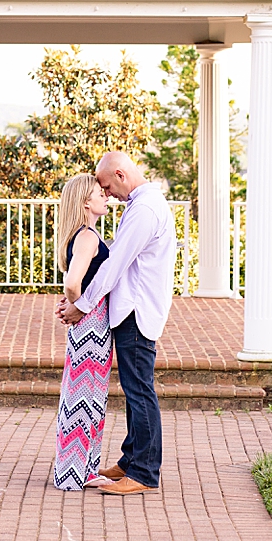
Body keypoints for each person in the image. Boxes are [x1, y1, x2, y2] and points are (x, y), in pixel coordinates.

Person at [57, 151, 176, 495]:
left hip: (136, 312)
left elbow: (114, 266)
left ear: (121, 175)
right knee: (134, 389)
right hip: (130, 310)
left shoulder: (144, 210)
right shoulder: (141, 206)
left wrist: (81, 304)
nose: (106, 193)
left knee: (140, 391)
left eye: (108, 186)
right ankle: (130, 460)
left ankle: (143, 472)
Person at [51, 173, 116, 490]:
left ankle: (81, 469)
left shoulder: (83, 235)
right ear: (85, 201)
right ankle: (76, 472)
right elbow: (73, 283)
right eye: (98, 193)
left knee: (87, 393)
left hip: (90, 322)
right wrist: (81, 307)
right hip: (92, 323)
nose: (105, 196)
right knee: (86, 394)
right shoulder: (88, 237)